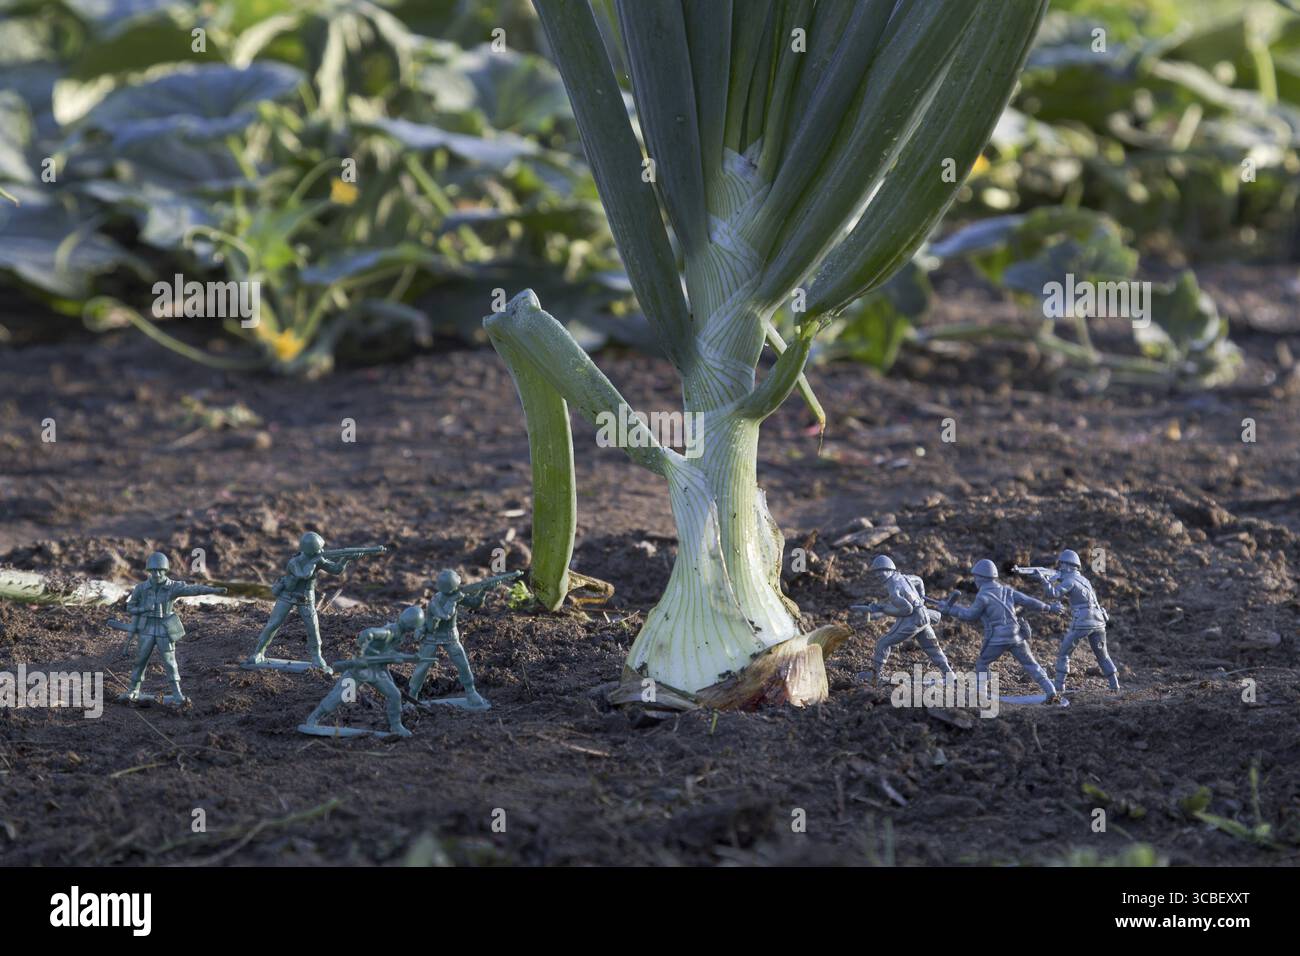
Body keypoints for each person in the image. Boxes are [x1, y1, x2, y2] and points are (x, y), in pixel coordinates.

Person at [939, 559, 1061, 703]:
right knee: (1031, 664)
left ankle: (981, 694)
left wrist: (950, 610)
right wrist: (1049, 608)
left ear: (982, 578)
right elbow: (1028, 601)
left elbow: (969, 615)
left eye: (976, 577)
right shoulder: (1007, 590)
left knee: (982, 663)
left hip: (998, 639)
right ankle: (1050, 690)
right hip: (1017, 636)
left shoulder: (983, 596)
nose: (975, 581)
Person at [119, 551, 226, 704]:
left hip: (164, 629)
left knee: (170, 662)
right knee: (140, 661)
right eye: (153, 571)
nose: (156, 574)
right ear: (149, 571)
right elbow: (130, 607)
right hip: (147, 629)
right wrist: (144, 609)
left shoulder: (172, 587)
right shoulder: (141, 588)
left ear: (165, 570)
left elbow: (193, 590)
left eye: (159, 570)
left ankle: (177, 693)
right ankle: (133, 690)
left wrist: (213, 590)